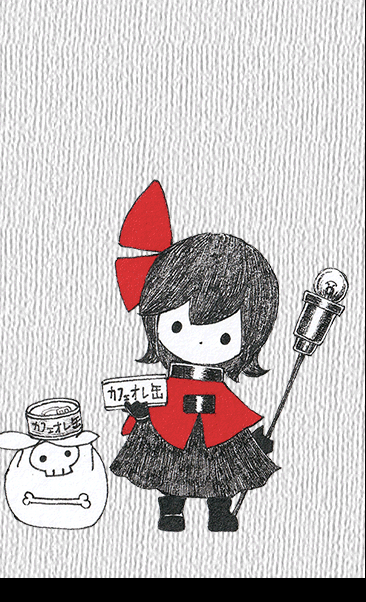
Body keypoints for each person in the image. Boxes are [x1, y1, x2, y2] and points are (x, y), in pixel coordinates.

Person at [111, 182, 280, 531]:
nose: (202, 341)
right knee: (170, 469)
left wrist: (252, 442)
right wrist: (140, 415)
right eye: (178, 326)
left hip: (215, 429)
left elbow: (235, 415)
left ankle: (219, 511)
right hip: (171, 423)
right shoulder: (167, 383)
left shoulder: (219, 386)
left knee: (221, 472)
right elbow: (151, 406)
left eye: (224, 336)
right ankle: (172, 509)